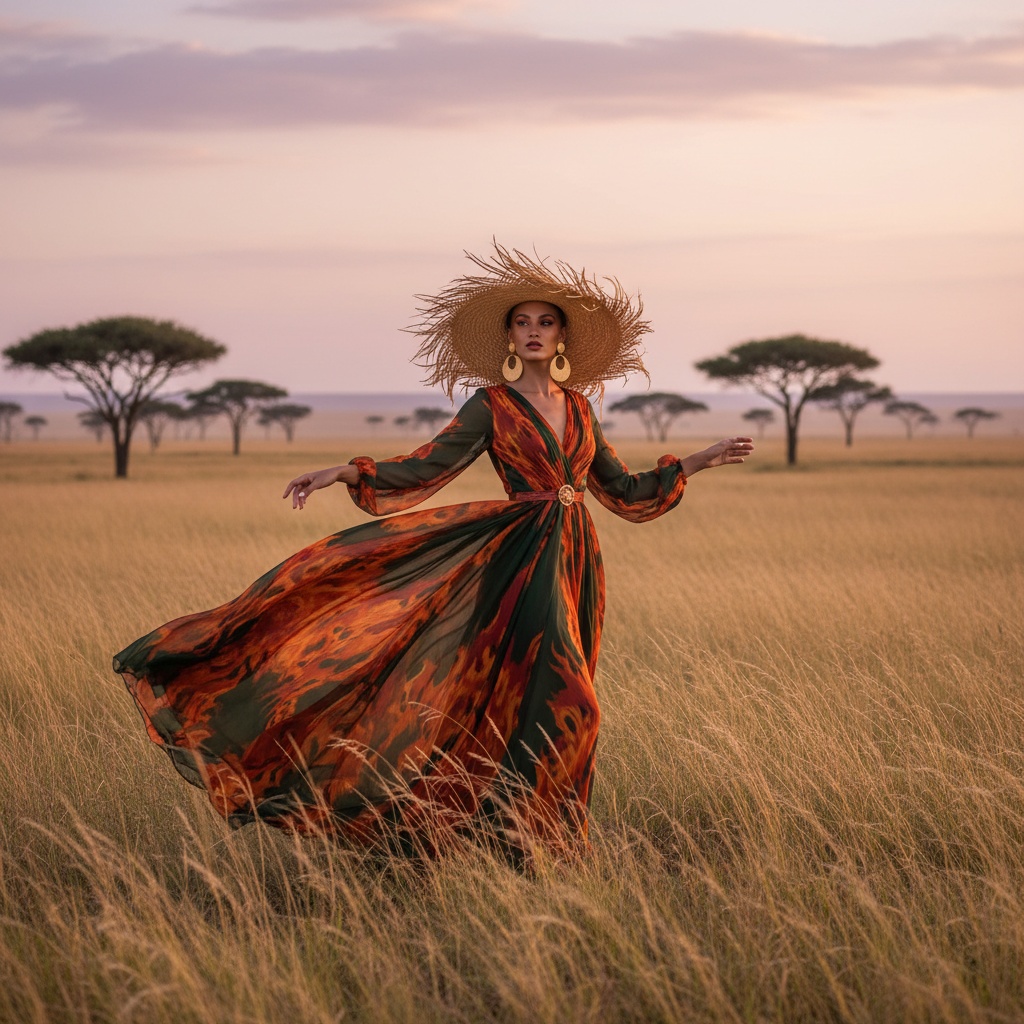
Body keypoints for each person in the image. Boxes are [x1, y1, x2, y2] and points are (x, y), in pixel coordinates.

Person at [113, 244, 753, 858]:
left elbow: (624, 490)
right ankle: (544, 844)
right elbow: (427, 466)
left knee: (528, 711)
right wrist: (345, 471)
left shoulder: (582, 410)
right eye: (523, 323)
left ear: (562, 340)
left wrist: (698, 461)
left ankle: (527, 846)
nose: (534, 332)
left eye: (546, 323)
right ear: (510, 339)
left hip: (576, 563)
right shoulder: (491, 406)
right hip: (515, 567)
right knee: (575, 706)